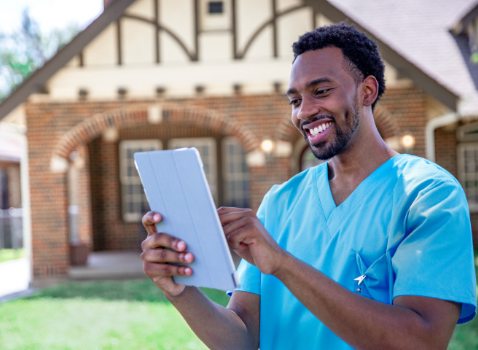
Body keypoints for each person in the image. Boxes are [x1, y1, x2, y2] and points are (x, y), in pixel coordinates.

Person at [140, 23, 477, 349]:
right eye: (295, 100)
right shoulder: (280, 202)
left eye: (321, 91)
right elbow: (241, 339)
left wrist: (283, 265)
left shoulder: (428, 196)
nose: (305, 111)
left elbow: (421, 341)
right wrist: (179, 289)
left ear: (367, 91)